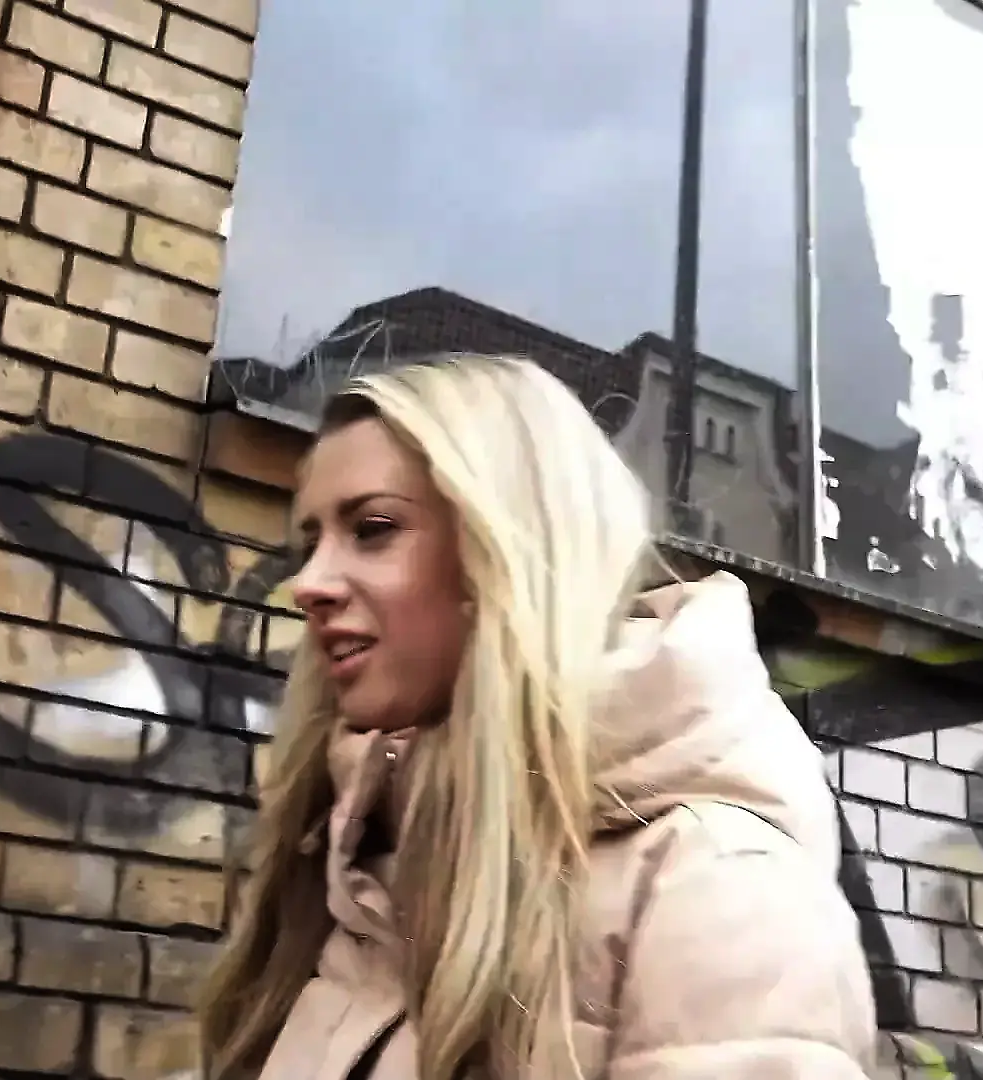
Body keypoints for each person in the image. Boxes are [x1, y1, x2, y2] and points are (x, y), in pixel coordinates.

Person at [197, 354, 876, 1079]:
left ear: (511, 548)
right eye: (310, 544)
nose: (309, 583)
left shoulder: (719, 891)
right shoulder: (351, 861)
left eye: (373, 528)